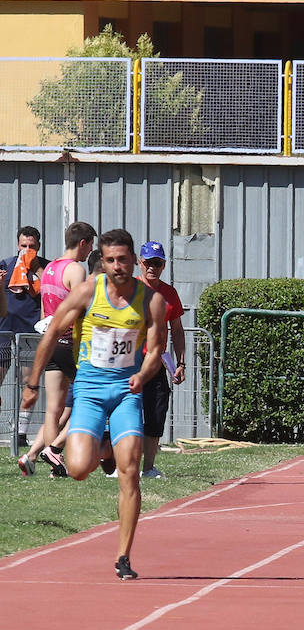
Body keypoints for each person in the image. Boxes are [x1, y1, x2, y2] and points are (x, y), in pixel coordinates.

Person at [21, 228, 168, 580]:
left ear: (134, 260)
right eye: (111, 260)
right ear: (101, 261)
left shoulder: (151, 301)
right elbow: (53, 330)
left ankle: (123, 557)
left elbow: (157, 347)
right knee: (78, 469)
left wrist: (144, 374)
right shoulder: (89, 291)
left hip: (125, 393)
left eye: (123, 259)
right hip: (88, 390)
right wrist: (32, 384)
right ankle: (103, 448)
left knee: (131, 473)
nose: (118, 266)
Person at [18, 221, 95, 477]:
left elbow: (44, 309)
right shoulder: (76, 269)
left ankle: (54, 462)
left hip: (50, 340)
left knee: (53, 410)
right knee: (92, 399)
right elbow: (80, 307)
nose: (89, 252)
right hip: (70, 342)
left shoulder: (50, 267)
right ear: (83, 243)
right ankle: (55, 450)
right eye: (90, 246)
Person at [135, 241, 186, 479]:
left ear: (164, 265)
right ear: (139, 262)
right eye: (148, 263)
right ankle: (122, 465)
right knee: (128, 413)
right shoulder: (128, 288)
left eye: (158, 263)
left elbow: (176, 329)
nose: (152, 268)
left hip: (157, 364)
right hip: (131, 363)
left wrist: (181, 363)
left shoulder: (169, 293)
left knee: (156, 415)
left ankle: (149, 467)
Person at [2, 226, 48, 447]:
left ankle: (21, 432)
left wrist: (36, 268)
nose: (27, 250)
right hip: (4, 328)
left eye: (32, 246)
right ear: (17, 246)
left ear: (38, 247)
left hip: (30, 330)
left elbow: (51, 288)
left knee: (28, 382)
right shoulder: (6, 265)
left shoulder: (45, 267)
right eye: (24, 246)